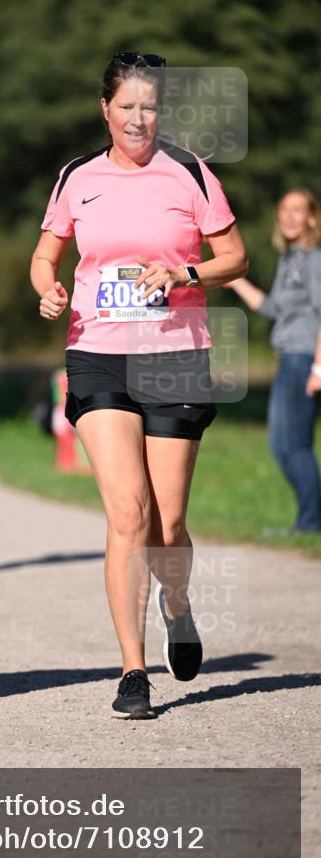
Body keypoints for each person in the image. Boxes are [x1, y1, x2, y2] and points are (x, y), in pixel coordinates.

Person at [31, 51, 248, 720]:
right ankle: (133, 670)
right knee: (127, 513)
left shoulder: (188, 172)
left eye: (148, 107)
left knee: (167, 522)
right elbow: (46, 255)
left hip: (174, 356)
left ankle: (176, 604)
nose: (137, 118)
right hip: (97, 353)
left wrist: (185, 275)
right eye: (125, 106)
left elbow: (235, 256)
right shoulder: (76, 176)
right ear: (104, 109)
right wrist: (48, 288)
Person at [228, 188, 321, 533]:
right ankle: (308, 520)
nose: (289, 216)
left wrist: (318, 369)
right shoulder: (290, 259)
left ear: (312, 217)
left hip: (304, 359)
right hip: (289, 358)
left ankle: (310, 524)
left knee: (295, 445)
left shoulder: (314, 260)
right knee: (280, 445)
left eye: (298, 210)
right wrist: (234, 279)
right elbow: (271, 309)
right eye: (284, 210)